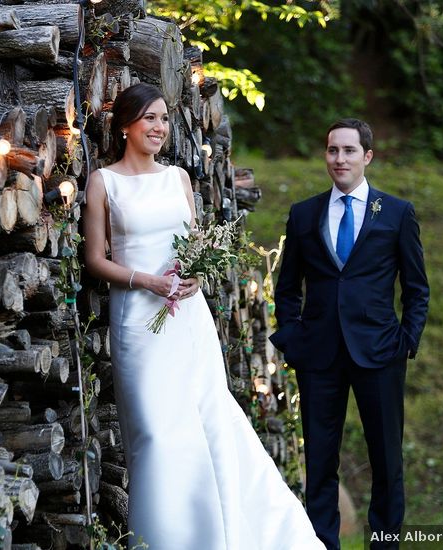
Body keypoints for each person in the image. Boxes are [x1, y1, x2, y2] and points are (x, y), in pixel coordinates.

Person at [84, 82, 323, 550]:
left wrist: (193, 276)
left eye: (165, 119)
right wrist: (147, 281)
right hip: (137, 317)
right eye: (150, 118)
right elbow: (96, 259)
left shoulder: (178, 179)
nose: (160, 128)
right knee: (155, 431)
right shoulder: (103, 182)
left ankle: (226, 533)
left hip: (187, 318)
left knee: (207, 418)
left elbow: (191, 244)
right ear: (126, 125)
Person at [270, 119, 429, 550]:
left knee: (386, 461)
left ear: (367, 157)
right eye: (332, 150)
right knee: (320, 460)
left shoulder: (396, 213)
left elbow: (416, 289)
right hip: (318, 356)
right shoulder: (305, 214)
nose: (339, 159)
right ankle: (323, 544)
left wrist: (406, 341)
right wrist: (292, 335)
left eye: (349, 151)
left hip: (379, 353)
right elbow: (287, 288)